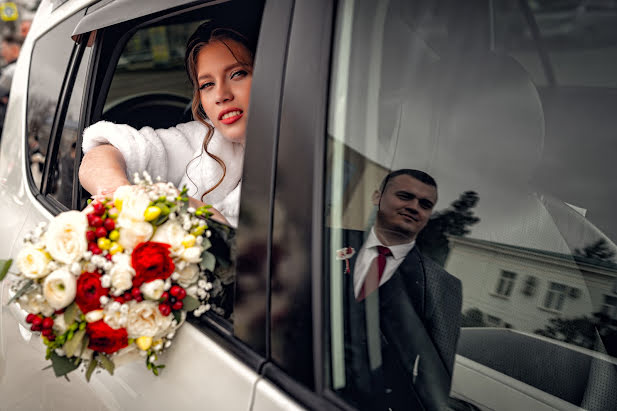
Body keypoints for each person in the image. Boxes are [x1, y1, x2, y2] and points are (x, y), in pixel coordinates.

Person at [79, 21, 257, 227]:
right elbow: (102, 153)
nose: (221, 95)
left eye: (237, 74)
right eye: (207, 84)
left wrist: (187, 206)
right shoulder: (206, 137)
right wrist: (121, 195)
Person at [334, 169, 462, 410]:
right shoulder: (326, 240)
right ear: (376, 197)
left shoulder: (443, 286)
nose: (414, 207)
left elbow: (434, 377)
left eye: (425, 204)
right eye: (404, 196)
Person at [0, 34, 23, 135]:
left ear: (14, 49)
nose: (2, 53)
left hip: (8, 123)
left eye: (4, 48)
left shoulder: (11, 71)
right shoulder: (20, 68)